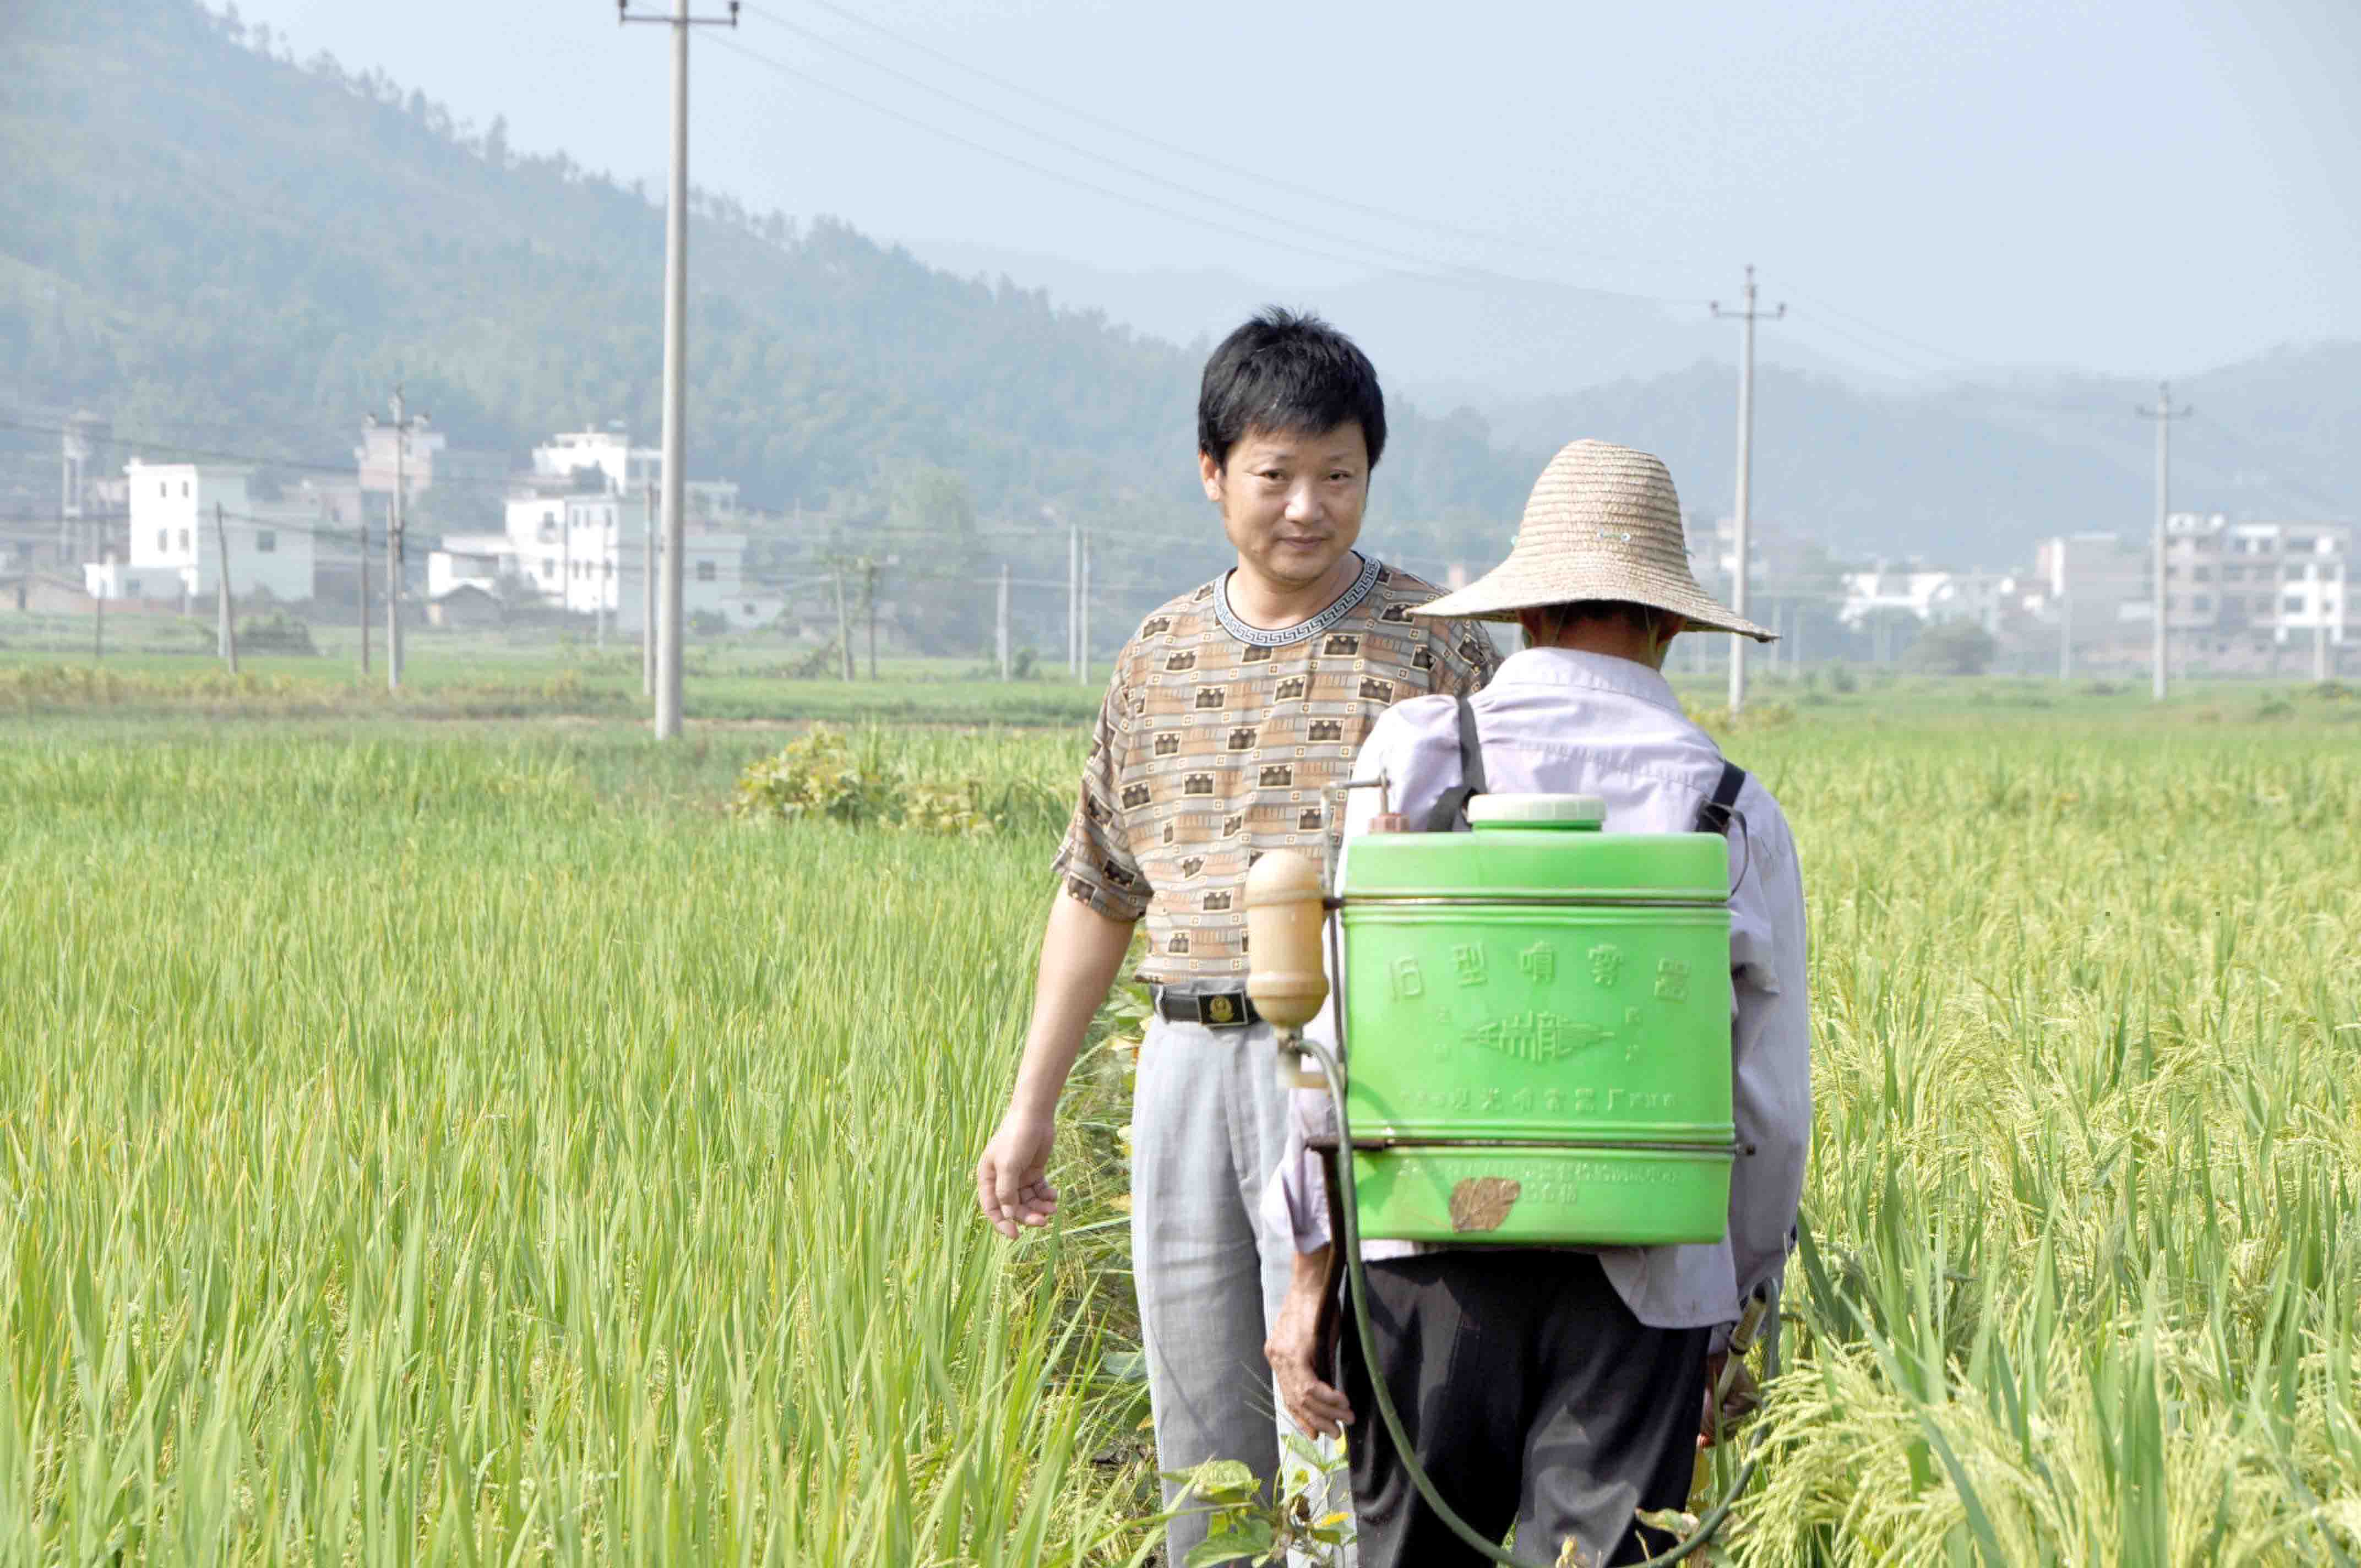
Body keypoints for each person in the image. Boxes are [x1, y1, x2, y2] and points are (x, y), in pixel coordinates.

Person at [973, 308, 1498, 1560]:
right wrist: (1029, 1103)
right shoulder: (1155, 657)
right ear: (1213, 474)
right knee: (1198, 1422)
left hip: (1363, 1067)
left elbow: (1500, 882)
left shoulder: (1441, 645)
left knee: (1336, 1399)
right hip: (1183, 1062)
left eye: (1338, 475)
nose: (1306, 507)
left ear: (1371, 471)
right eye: (1274, 475)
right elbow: (1098, 886)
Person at [1261, 439, 1812, 1566]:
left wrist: (1306, 1278)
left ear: (1524, 614)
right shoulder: (1729, 807)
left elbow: (1333, 1046)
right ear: (1666, 626)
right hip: (1644, 1280)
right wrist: (1733, 1308)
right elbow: (1766, 1108)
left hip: (1426, 1252)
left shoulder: (1416, 752)